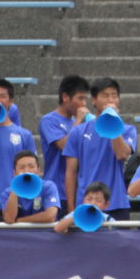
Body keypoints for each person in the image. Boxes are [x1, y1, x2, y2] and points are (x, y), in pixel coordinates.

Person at [63, 77, 135, 219]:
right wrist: (71, 209)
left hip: (116, 203)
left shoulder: (127, 130)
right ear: (94, 100)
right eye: (105, 95)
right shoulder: (78, 132)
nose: (110, 100)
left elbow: (122, 155)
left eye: (114, 96)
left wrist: (112, 121)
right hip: (86, 203)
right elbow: (70, 173)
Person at [38, 75, 89, 211]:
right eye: (80, 98)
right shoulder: (49, 120)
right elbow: (64, 146)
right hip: (55, 191)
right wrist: (78, 122)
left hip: (77, 191)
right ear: (65, 97)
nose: (84, 104)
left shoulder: (81, 123)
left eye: (85, 99)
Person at [2, 150, 60, 224]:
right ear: (14, 173)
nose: (26, 171)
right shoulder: (7, 192)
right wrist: (16, 188)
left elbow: (50, 216)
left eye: (31, 166)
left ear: (38, 171)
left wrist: (20, 221)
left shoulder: (48, 187)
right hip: (17, 235)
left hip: (45, 234)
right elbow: (9, 219)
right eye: (22, 167)